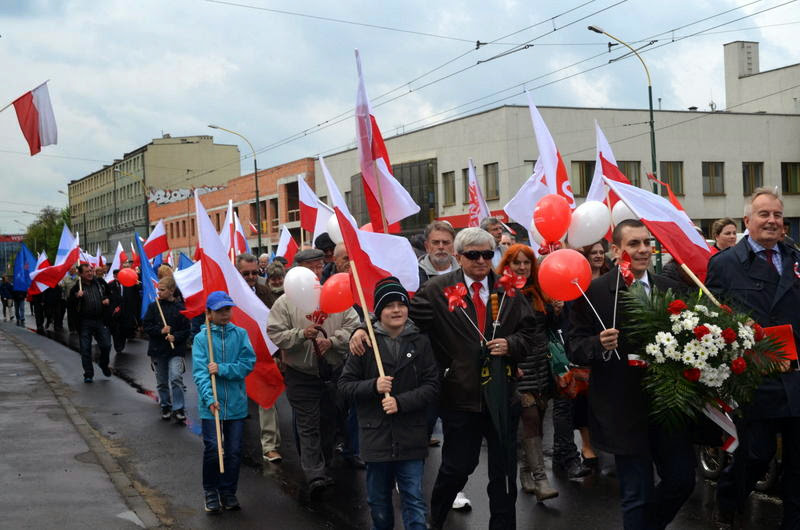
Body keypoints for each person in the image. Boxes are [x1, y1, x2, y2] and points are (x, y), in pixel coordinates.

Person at [351, 227, 537, 529]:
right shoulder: (438, 289)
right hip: (460, 397)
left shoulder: (508, 288)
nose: (481, 261)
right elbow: (401, 315)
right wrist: (363, 327)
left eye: (487, 254)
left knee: (504, 474)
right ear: (458, 257)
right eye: (473, 255)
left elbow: (530, 333)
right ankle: (435, 519)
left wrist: (512, 344)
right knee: (457, 467)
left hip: (502, 395)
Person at [568, 219, 693, 529]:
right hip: (622, 408)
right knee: (637, 494)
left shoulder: (671, 289)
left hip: (667, 404)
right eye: (634, 244)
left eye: (647, 243)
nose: (643, 250)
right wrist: (597, 343)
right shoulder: (593, 292)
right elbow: (574, 346)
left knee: (682, 480)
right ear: (616, 250)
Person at [707, 188, 800, 528]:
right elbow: (710, 320)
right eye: (764, 214)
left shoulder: (795, 258)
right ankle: (728, 500)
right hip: (754, 377)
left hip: (795, 375)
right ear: (747, 220)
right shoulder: (725, 263)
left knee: (798, 462)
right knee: (757, 454)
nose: (772, 221)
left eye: (777, 215)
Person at [339, 276, 439, 530]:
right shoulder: (364, 343)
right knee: (379, 503)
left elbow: (431, 386)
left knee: (414, 499)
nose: (396, 310)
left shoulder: (421, 342)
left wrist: (401, 402)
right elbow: (345, 386)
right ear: (378, 311)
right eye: (389, 305)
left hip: (411, 435)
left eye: (401, 304)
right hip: (376, 436)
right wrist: (373, 386)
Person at [266, 248, 360, 495]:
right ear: (298, 270)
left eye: (319, 267)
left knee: (329, 421)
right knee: (308, 424)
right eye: (311, 268)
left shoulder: (335, 293)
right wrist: (300, 334)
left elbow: (354, 326)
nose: (317, 272)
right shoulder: (285, 302)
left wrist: (333, 341)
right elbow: (275, 333)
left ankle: (324, 465)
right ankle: (314, 474)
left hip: (333, 372)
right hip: (301, 373)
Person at [497, 244, 558, 501]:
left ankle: (525, 472)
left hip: (541, 366)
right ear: (507, 265)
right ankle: (541, 479)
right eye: (516, 263)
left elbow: (549, 328)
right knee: (530, 417)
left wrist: (557, 309)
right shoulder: (501, 293)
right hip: (518, 367)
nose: (522, 267)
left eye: (526, 263)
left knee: (538, 421)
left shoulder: (540, 291)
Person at [192, 291, 255, 514]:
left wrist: (222, 369)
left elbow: (247, 364)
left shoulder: (240, 334)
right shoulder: (201, 339)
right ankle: (210, 491)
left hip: (236, 404)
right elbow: (200, 373)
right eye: (219, 311)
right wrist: (209, 398)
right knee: (212, 449)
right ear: (209, 313)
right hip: (211, 406)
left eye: (227, 309)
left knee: (234, 451)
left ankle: (228, 491)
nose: (225, 314)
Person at [236, 253, 283, 463]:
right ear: (238, 273)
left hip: (263, 353)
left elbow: (274, 321)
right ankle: (232, 442)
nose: (251, 277)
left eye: (254, 272)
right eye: (246, 273)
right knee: (236, 400)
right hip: (237, 355)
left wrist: (277, 352)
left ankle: (269, 446)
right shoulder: (229, 294)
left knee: (267, 399)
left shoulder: (265, 291)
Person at [143, 276, 190, 421]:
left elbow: (186, 330)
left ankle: (179, 408)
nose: (159, 292)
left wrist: (175, 336)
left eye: (162, 290)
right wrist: (160, 331)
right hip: (158, 350)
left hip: (175, 350)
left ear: (171, 290)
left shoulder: (181, 308)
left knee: (176, 377)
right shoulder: (153, 307)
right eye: (158, 290)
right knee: (162, 381)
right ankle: (165, 405)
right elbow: (146, 326)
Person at [68, 264, 113, 383]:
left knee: (106, 345)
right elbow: (70, 304)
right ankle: (88, 373)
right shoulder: (77, 288)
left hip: (100, 320)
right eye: (87, 272)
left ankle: (103, 364)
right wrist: (76, 296)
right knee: (85, 348)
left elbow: (110, 294)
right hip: (85, 322)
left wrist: (108, 299)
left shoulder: (100, 283)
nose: (90, 273)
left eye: (91, 271)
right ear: (80, 274)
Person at [418, 221, 459, 286]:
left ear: (454, 245)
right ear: (426, 246)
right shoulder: (415, 274)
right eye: (435, 242)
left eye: (445, 242)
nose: (441, 247)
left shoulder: (465, 272)